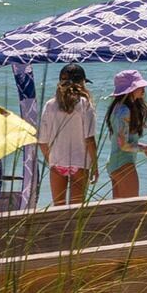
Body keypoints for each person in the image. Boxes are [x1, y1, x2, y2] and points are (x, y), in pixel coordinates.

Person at [40, 63, 99, 205]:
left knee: (57, 210)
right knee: (76, 210)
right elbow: (89, 139)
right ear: (82, 83)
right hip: (80, 163)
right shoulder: (85, 104)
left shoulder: (49, 105)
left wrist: (52, 160)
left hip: (57, 165)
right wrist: (95, 166)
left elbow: (42, 141)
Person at [103, 69, 147, 200]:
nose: (143, 88)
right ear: (130, 89)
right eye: (139, 86)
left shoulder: (118, 107)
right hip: (123, 164)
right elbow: (124, 145)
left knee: (119, 211)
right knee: (132, 207)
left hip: (116, 163)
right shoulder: (124, 111)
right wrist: (145, 148)